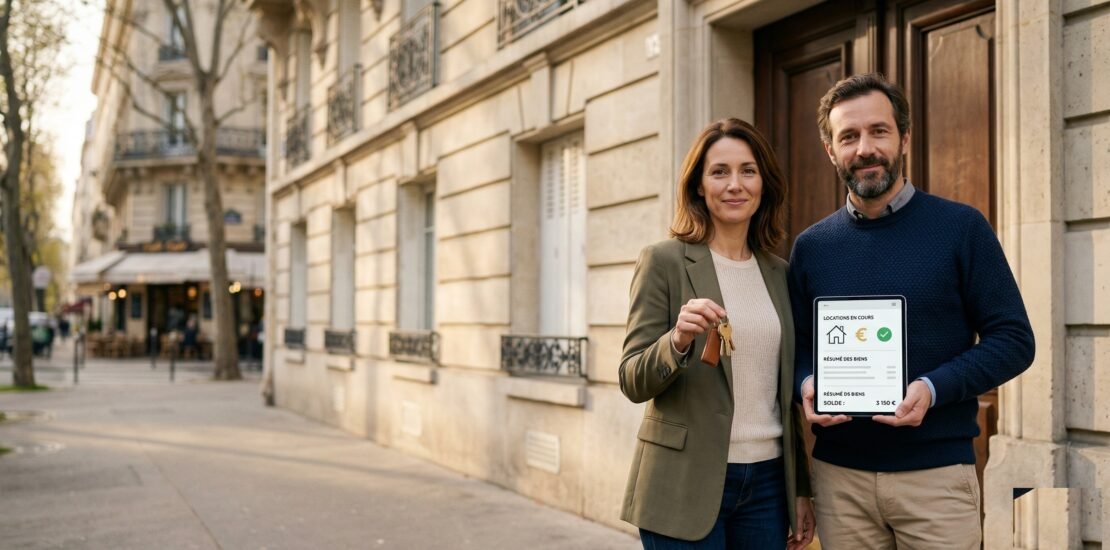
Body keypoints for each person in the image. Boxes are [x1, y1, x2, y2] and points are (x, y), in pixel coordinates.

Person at [788, 73, 1036, 548]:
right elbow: (798, 347)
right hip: (841, 483)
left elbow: (1015, 340)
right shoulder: (812, 247)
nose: (865, 148)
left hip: (937, 480)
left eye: (878, 131)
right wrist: (806, 384)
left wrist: (932, 387)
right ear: (830, 150)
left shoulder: (961, 228)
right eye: (849, 136)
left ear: (903, 138)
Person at [620, 118, 815, 549]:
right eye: (719, 171)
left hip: (767, 486)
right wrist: (676, 342)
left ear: (764, 183)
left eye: (748, 170)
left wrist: (800, 489)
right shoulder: (663, 262)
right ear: (698, 187)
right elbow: (631, 378)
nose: (735, 184)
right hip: (682, 482)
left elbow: (784, 398)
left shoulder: (780, 273)